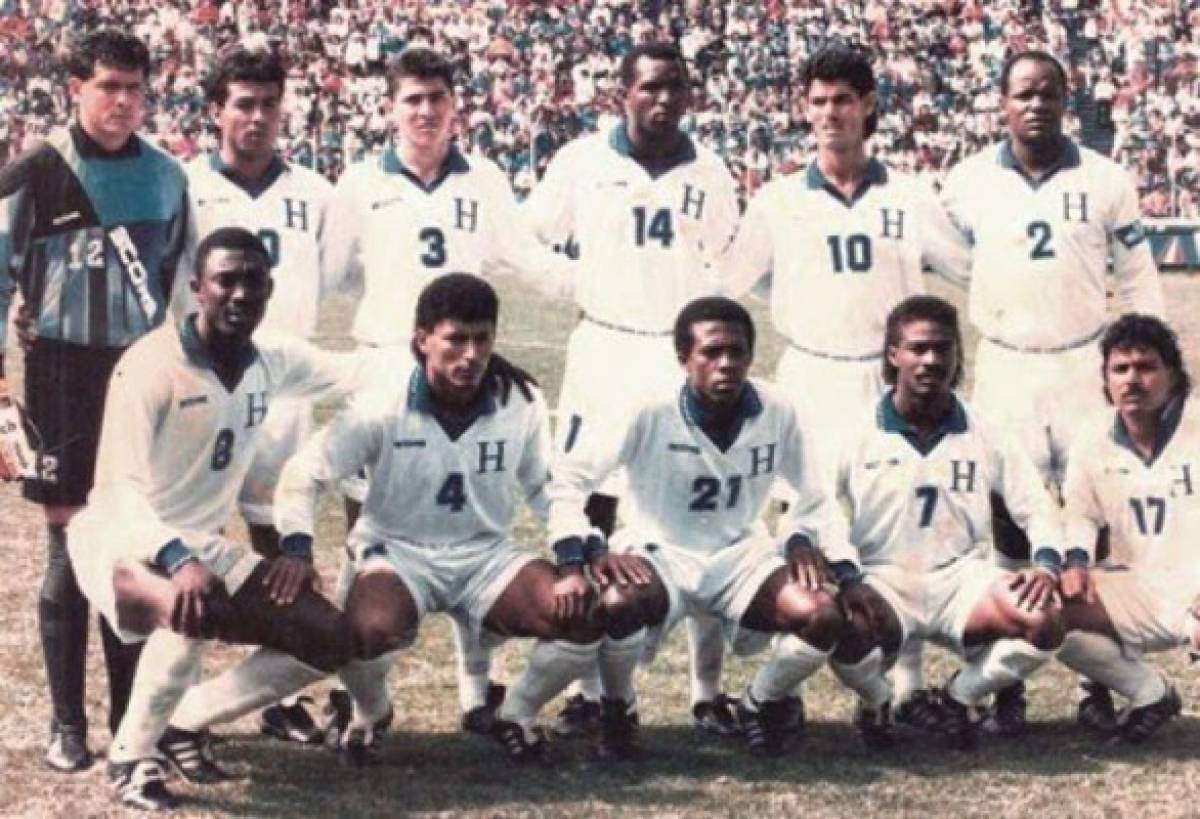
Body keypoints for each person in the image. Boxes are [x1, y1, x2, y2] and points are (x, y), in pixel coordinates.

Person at [158, 273, 603, 769]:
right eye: (456, 339)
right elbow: (305, 474)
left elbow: (547, 486)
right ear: (422, 339)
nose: (471, 354)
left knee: (581, 617)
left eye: (482, 339)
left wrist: (570, 557)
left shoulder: (519, 398)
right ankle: (371, 712)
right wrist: (298, 549)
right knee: (366, 630)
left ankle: (515, 716)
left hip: (486, 554)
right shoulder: (382, 401)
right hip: (399, 552)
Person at [66, 227, 367, 810]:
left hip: (203, 546)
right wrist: (175, 558)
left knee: (330, 638)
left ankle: (185, 720)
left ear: (269, 289)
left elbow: (359, 372)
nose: (240, 294)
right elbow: (118, 488)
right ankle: (131, 756)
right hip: (119, 539)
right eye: (225, 281)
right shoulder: (150, 365)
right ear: (197, 288)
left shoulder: (272, 359)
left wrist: (443, 353)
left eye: (253, 282)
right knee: (190, 611)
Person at [320, 46, 570, 734]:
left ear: (455, 106)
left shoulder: (483, 180)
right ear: (390, 107)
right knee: (370, 525)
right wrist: (393, 330)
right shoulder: (359, 183)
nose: (425, 111)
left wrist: (598, 288)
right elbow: (338, 273)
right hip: (384, 367)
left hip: (464, 361)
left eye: (436, 97)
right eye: (411, 99)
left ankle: (474, 684)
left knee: (469, 524)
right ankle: (362, 686)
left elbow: (523, 258)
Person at [718, 44, 970, 724]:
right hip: (808, 375)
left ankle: (904, 686)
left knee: (894, 522)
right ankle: (784, 692)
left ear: (869, 108)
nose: (831, 113)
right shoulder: (777, 200)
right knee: (802, 524)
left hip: (886, 381)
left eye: (844, 100)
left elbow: (969, 266)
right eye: (819, 101)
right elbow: (724, 286)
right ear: (805, 110)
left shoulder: (910, 194)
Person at [941, 49, 1166, 733]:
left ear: (1066, 101)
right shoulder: (968, 180)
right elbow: (954, 258)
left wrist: (1142, 363)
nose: (1035, 104)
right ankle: (1008, 674)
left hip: (1080, 363)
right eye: (1022, 94)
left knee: (1093, 519)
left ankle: (1099, 679)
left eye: (1047, 93)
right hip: (1007, 363)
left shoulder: (1106, 180)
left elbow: (1136, 276)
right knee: (1007, 519)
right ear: (1001, 103)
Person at [524, 41, 743, 738]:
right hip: (603, 346)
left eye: (675, 87)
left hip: (675, 356)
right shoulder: (582, 162)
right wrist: (574, 285)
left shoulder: (709, 171)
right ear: (623, 92)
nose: (664, 98)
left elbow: (728, 262)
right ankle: (595, 687)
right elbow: (533, 240)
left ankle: (705, 688)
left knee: (689, 511)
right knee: (590, 502)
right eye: (650, 86)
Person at [531, 296, 852, 758]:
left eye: (737, 352)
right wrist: (589, 550)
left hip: (741, 555)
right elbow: (568, 479)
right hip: (662, 550)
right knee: (618, 602)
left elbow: (814, 493)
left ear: (750, 356)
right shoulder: (647, 407)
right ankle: (617, 707)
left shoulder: (779, 408)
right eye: (711, 353)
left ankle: (756, 704)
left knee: (821, 613)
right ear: (684, 358)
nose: (726, 364)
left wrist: (800, 535)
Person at [0, 29, 189, 773]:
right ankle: (67, 722)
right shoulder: (34, 173)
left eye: (135, 89)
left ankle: (130, 719)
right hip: (59, 375)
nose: (123, 103)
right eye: (109, 86)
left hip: (137, 374)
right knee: (69, 546)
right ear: (74, 87)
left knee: (135, 544)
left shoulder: (168, 177)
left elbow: (179, 283)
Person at [180, 40, 340, 746]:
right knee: (197, 545)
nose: (258, 117)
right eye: (244, 104)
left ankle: (276, 696)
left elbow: (328, 278)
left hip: (284, 389)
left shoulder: (315, 192)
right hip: (207, 389)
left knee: (280, 549)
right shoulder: (185, 188)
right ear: (217, 111)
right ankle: (181, 704)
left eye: (270, 104)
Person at [828, 295, 1065, 751]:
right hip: (883, 578)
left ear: (958, 354)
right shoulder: (855, 429)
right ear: (893, 354)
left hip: (961, 577)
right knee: (840, 630)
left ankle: (959, 697)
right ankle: (878, 699)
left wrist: (1047, 564)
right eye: (918, 349)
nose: (931, 360)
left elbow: (1034, 505)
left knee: (1045, 621)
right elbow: (816, 508)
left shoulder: (985, 429)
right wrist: (845, 574)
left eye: (943, 348)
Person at [1054, 314, 1192, 744]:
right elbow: (1078, 513)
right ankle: (1149, 694)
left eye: (1147, 367)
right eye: (1121, 369)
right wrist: (1075, 561)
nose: (1133, 380)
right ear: (1106, 380)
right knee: (1049, 615)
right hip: (1137, 587)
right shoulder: (1092, 436)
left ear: (1173, 376)